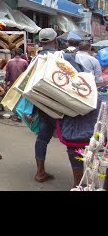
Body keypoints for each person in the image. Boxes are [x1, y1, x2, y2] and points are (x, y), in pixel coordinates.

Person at [33, 27, 84, 186]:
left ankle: (40, 172)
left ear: (41, 42)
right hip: (64, 106)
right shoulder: (64, 56)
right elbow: (79, 75)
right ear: (55, 41)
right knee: (72, 141)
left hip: (43, 105)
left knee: (42, 138)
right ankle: (77, 184)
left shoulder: (35, 59)